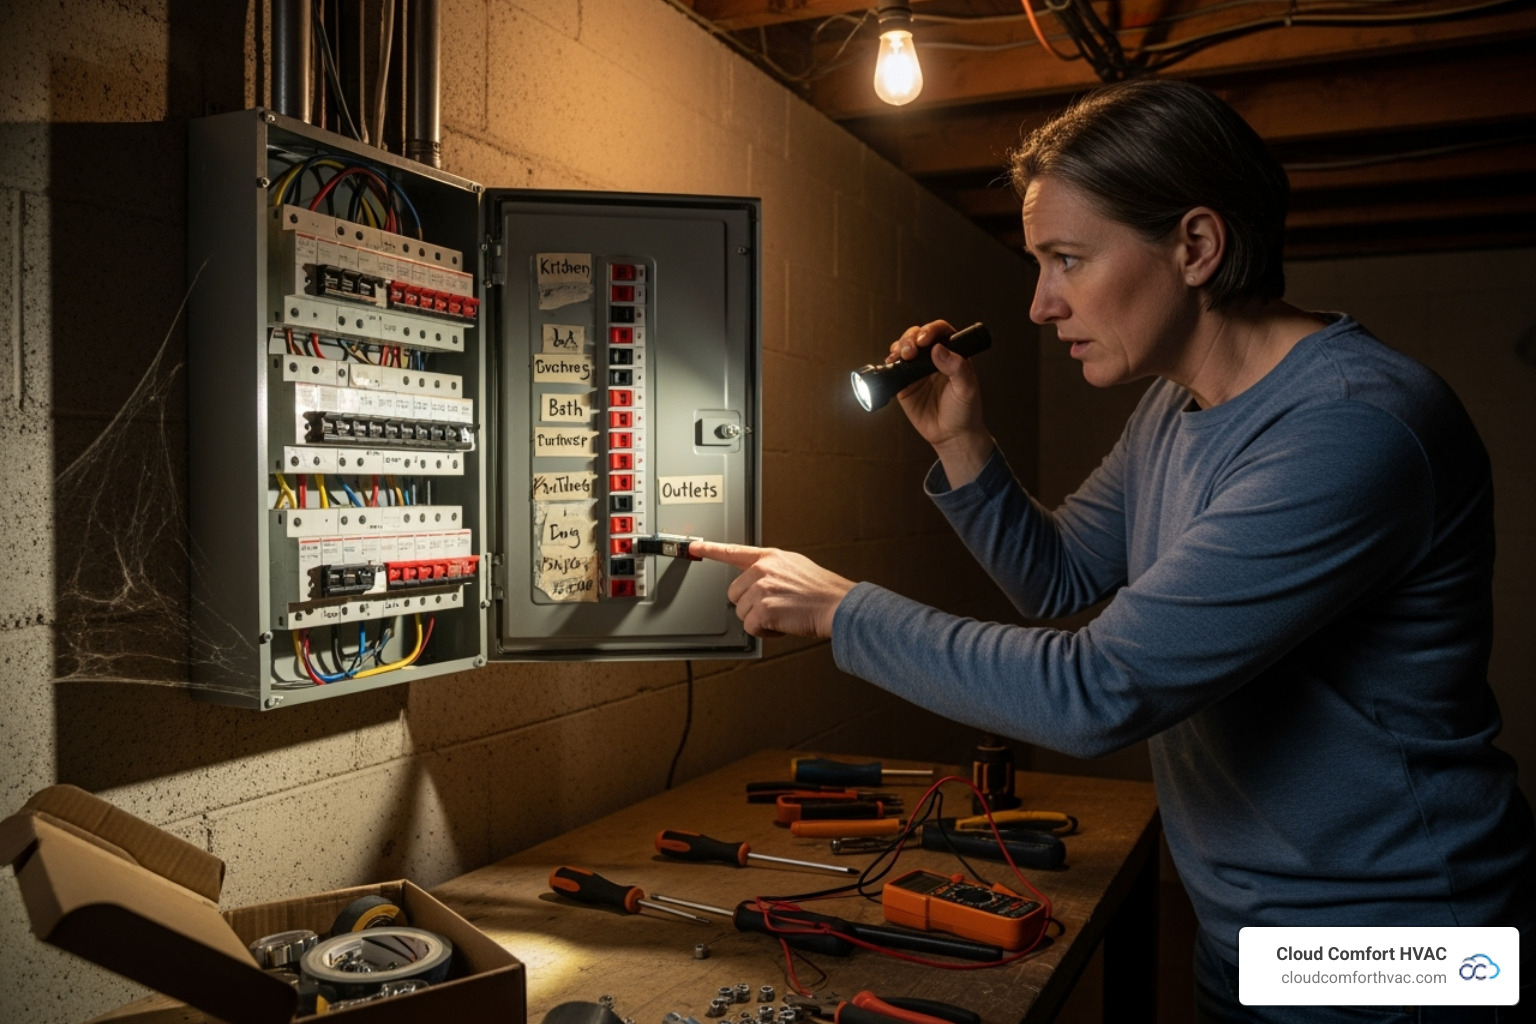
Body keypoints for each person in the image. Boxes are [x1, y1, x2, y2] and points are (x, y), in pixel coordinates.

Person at [690, 79, 1534, 1022]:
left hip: (1406, 950)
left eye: (1068, 260)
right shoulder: (1176, 406)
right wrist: (961, 443)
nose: (1042, 305)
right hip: (1251, 931)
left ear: (1197, 246)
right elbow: (1060, 578)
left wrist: (846, 610)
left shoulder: (1349, 427)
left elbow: (1101, 690)